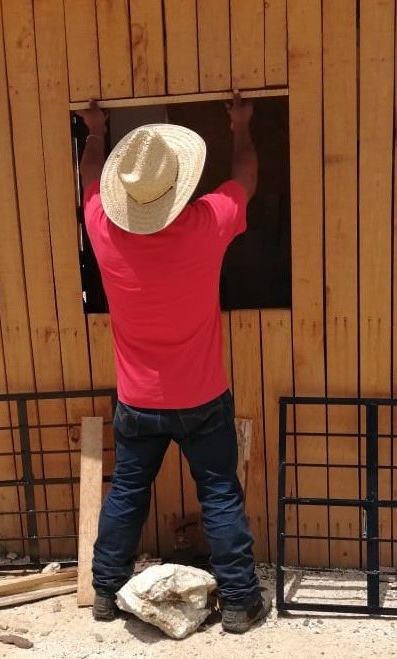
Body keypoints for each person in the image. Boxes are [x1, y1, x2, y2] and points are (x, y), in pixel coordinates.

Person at [76, 93, 269, 634]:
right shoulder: (207, 223)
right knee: (220, 495)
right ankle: (238, 604)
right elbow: (247, 179)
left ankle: (104, 593)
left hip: (137, 402)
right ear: (179, 184)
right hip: (203, 397)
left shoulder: (103, 229)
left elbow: (89, 177)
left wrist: (95, 130)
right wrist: (240, 126)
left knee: (127, 496)